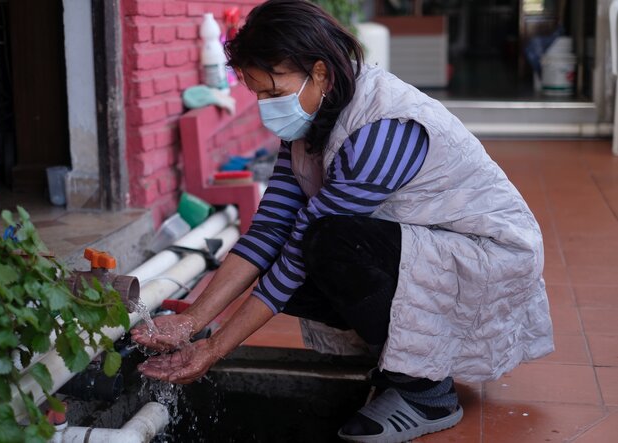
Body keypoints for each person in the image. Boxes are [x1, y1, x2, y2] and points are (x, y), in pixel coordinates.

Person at [131, 1, 554, 441]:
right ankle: (405, 361)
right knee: (302, 257)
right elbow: (270, 230)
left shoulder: (383, 126)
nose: (265, 108)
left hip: (487, 260)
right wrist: (192, 321)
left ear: (319, 73)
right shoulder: (311, 123)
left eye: (274, 93)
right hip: (427, 250)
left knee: (326, 245)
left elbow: (298, 251)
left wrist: (214, 349)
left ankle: (427, 394)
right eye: (258, 95)